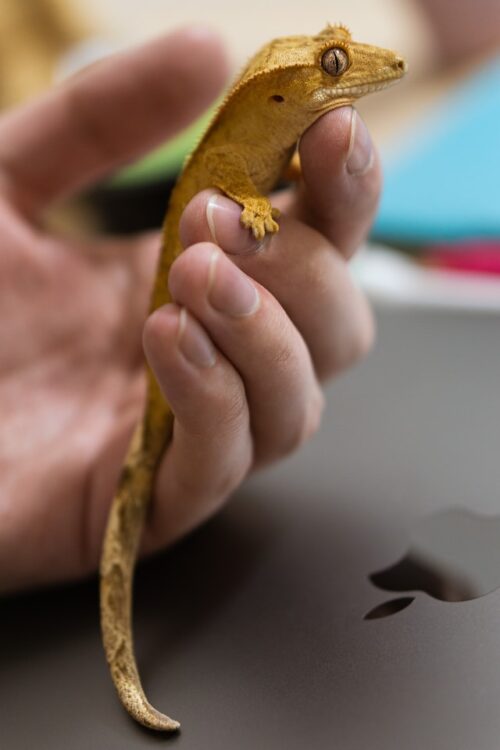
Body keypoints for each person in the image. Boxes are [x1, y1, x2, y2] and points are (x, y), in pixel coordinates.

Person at [0, 26, 378, 592]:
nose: (363, 69)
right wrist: (251, 201)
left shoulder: (274, 126)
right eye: (332, 64)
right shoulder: (247, 132)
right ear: (278, 92)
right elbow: (225, 167)